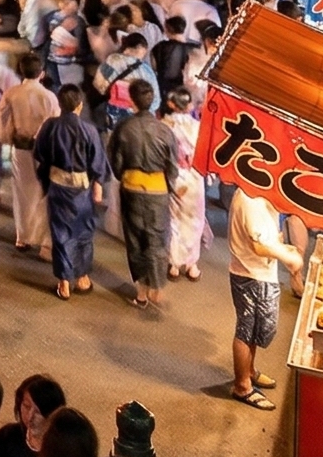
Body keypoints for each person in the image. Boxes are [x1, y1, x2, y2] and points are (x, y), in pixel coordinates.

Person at [227, 185, 303, 409]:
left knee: (256, 329)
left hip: (258, 272)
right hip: (250, 274)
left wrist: (281, 246)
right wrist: (289, 258)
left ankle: (249, 371)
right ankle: (242, 386)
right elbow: (259, 246)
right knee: (246, 330)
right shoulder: (250, 198)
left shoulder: (257, 193)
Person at [34, 85, 109, 300]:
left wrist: (45, 179)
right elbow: (98, 161)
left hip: (58, 186)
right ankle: (82, 277)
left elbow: (40, 154)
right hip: (81, 189)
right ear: (80, 105)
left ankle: (64, 282)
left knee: (61, 234)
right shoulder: (89, 130)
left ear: (59, 104)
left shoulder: (50, 126)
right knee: (84, 232)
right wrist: (98, 186)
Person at [109, 78, 176, 311]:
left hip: (132, 187)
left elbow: (115, 162)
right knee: (157, 238)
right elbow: (172, 167)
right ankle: (157, 286)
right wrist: (169, 187)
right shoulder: (165, 130)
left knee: (135, 239)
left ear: (132, 101)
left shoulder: (123, 128)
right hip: (158, 190)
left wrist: (124, 176)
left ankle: (141, 293)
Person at [0, 55, 60, 259]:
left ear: (21, 72)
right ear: (42, 73)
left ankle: (22, 237)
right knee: (43, 193)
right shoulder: (49, 97)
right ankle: (44, 241)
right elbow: (56, 126)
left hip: (21, 147)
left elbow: (2, 123)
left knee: (22, 192)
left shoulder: (12, 94)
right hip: (45, 151)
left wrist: (7, 138)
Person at [161, 86, 209, 282]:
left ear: (171, 104)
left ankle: (174, 263)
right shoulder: (198, 127)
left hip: (174, 175)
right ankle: (191, 264)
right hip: (194, 176)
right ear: (189, 105)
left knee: (174, 218)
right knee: (195, 219)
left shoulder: (165, 126)